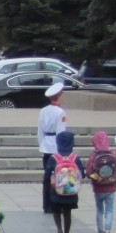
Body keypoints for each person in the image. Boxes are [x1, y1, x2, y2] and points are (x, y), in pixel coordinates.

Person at [37, 81, 69, 213]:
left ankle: (46, 204)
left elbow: (40, 131)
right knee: (58, 176)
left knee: (47, 177)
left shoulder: (43, 111)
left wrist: (41, 145)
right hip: (56, 147)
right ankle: (56, 203)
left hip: (46, 146)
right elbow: (61, 133)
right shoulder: (61, 112)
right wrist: (63, 151)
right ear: (59, 95)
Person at [44, 129, 80, 233]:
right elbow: (82, 174)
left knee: (57, 211)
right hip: (71, 191)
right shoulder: (75, 158)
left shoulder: (54, 158)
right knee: (67, 214)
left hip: (56, 191)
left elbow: (47, 173)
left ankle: (59, 229)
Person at [85, 129, 116, 233]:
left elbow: (88, 172)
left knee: (100, 210)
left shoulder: (94, 155)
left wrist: (97, 178)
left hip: (99, 188)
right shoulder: (113, 154)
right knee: (109, 211)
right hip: (111, 187)